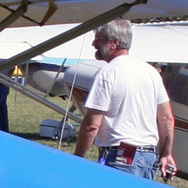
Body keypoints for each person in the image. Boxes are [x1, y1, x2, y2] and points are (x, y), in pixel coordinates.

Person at [72, 19, 176, 179]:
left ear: (114, 43)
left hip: (121, 157)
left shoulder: (107, 73)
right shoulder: (151, 72)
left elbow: (91, 125)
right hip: (149, 158)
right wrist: (166, 154)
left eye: (98, 39)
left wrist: (77, 158)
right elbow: (166, 118)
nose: (93, 44)